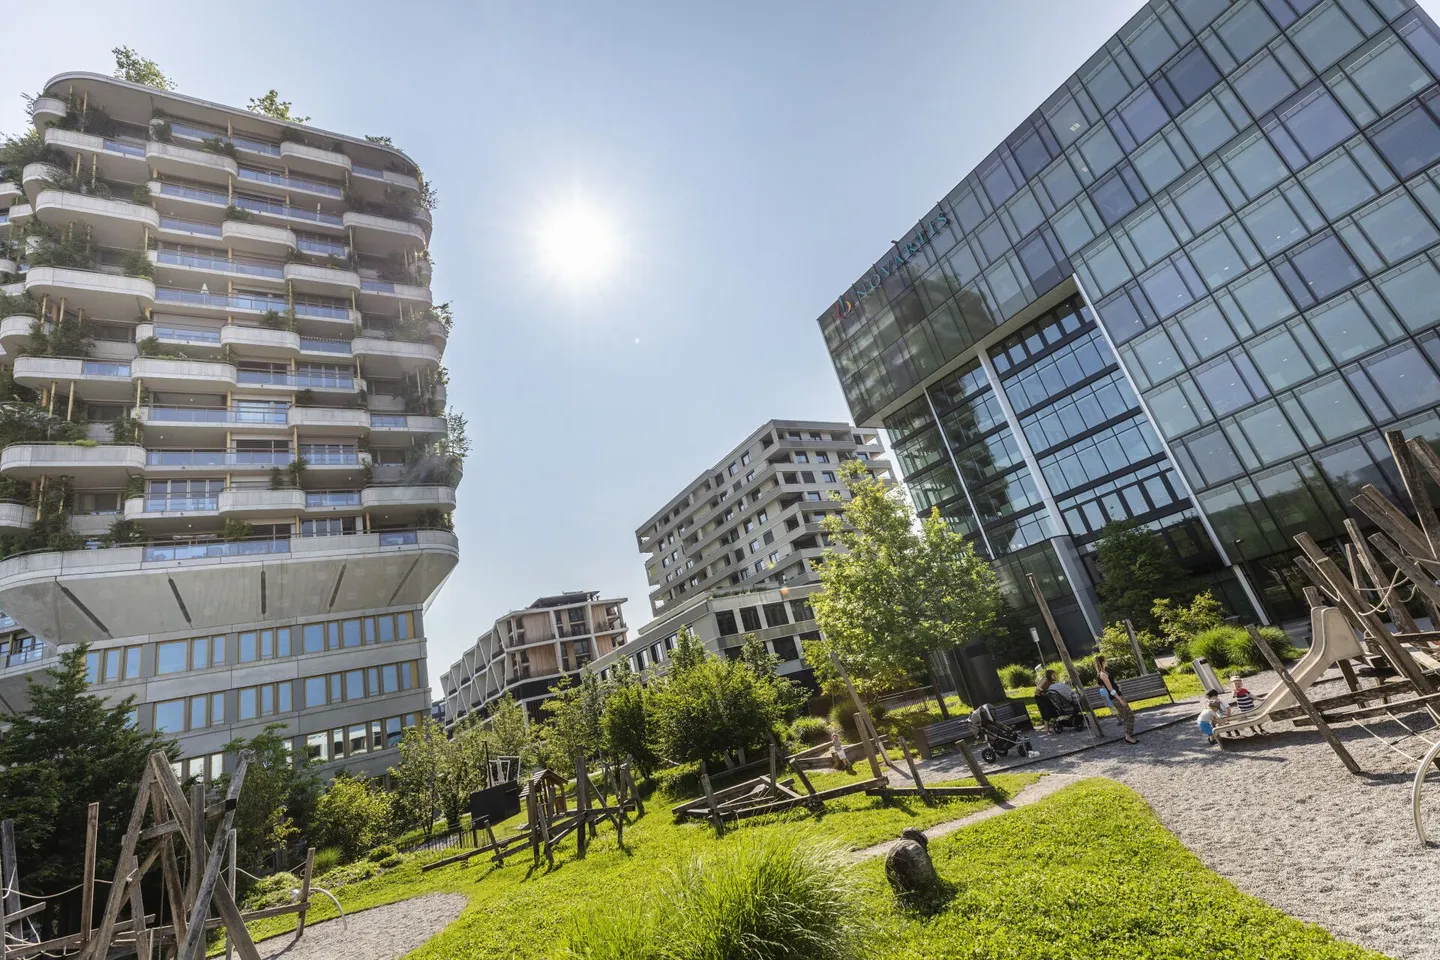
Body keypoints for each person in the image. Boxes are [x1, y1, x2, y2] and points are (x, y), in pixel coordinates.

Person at [1094, 654, 1136, 744]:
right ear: (1102, 662)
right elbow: (1110, 690)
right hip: (1116, 698)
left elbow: (1111, 685)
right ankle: (1128, 736)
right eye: (1105, 661)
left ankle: (1128, 735)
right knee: (1128, 716)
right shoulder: (1102, 674)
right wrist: (1120, 699)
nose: (1106, 662)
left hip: (1118, 695)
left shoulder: (1104, 672)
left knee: (1129, 715)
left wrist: (1118, 687)